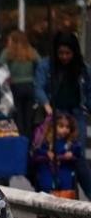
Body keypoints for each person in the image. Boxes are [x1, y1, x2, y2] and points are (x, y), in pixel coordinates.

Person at [34, 32, 91, 199]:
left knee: (77, 157)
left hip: (75, 113)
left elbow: (89, 91)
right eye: (61, 53)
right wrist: (47, 105)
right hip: (55, 114)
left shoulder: (83, 69)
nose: (64, 57)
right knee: (50, 154)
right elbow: (38, 87)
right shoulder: (46, 66)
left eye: (68, 53)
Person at [0, 30, 40, 138]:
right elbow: (40, 65)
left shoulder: (8, 52)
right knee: (29, 116)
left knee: (18, 116)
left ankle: (20, 139)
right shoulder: (31, 51)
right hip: (30, 86)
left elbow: (0, 65)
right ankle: (29, 141)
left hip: (15, 87)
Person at [33, 112, 80, 194]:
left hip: (64, 168)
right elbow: (38, 150)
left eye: (67, 127)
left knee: (66, 185)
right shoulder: (47, 141)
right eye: (61, 126)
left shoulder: (71, 142)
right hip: (48, 169)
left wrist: (71, 154)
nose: (65, 130)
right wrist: (47, 153)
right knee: (46, 185)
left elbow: (77, 151)